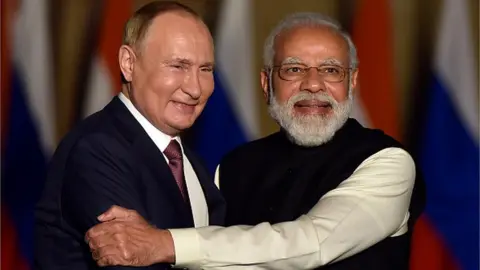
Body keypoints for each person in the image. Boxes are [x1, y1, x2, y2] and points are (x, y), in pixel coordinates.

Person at [85, 12, 426, 270]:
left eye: (331, 70)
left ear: (352, 83)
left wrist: (165, 243)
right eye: (293, 69)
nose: (313, 84)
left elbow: (314, 243)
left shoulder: (389, 162)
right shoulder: (234, 166)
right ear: (266, 84)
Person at [34, 1, 226, 269]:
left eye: (205, 69)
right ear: (128, 63)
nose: (195, 88)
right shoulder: (96, 150)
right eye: (178, 66)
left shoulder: (190, 162)